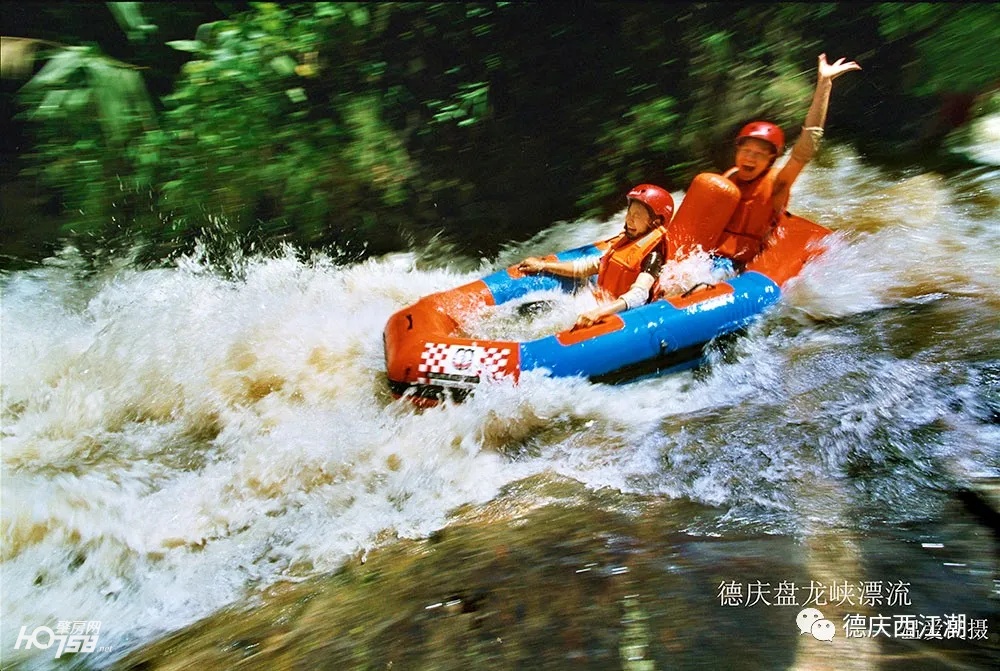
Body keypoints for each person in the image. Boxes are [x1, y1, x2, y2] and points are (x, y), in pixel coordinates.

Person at [715, 53, 861, 266]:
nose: (749, 158)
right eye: (746, 151)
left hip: (743, 264)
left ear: (770, 160)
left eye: (758, 154)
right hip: (712, 255)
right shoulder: (729, 178)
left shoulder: (777, 184)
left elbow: (804, 151)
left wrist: (824, 85)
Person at [517, 184, 674, 329]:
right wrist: (544, 265)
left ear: (655, 222)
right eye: (629, 213)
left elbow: (639, 295)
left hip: (616, 316)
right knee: (532, 309)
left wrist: (599, 312)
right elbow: (587, 267)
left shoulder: (653, 256)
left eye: (637, 216)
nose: (629, 220)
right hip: (595, 302)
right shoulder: (627, 243)